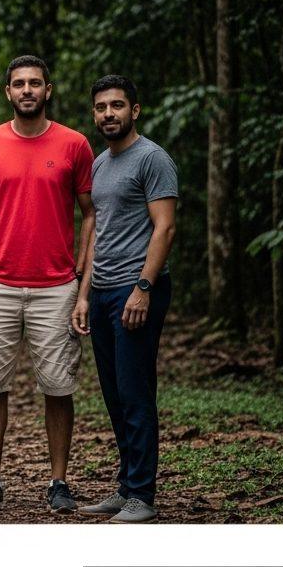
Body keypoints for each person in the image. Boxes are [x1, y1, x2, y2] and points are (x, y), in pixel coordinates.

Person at [0, 55, 96, 513]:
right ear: (8, 92)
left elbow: (91, 212)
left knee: (58, 388)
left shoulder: (75, 144)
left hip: (56, 286)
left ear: (48, 90)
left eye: (35, 83)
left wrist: (80, 275)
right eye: (19, 84)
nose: (27, 91)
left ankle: (59, 482)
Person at [73, 75, 177, 523]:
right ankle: (125, 487)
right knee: (115, 393)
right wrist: (85, 293)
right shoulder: (99, 164)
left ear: (135, 110)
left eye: (117, 106)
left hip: (138, 290)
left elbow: (165, 227)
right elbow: (97, 229)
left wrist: (143, 288)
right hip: (103, 291)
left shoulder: (153, 159)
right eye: (101, 108)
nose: (108, 114)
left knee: (135, 392)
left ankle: (142, 496)